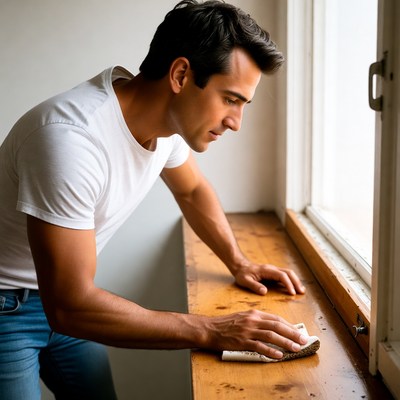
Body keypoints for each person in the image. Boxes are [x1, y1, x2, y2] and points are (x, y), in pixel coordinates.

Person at [0, 1, 307, 398]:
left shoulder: (162, 126)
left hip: (63, 297)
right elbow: (70, 305)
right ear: (180, 74)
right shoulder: (70, 140)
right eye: (230, 99)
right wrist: (213, 330)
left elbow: (192, 190)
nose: (236, 122)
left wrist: (239, 262)